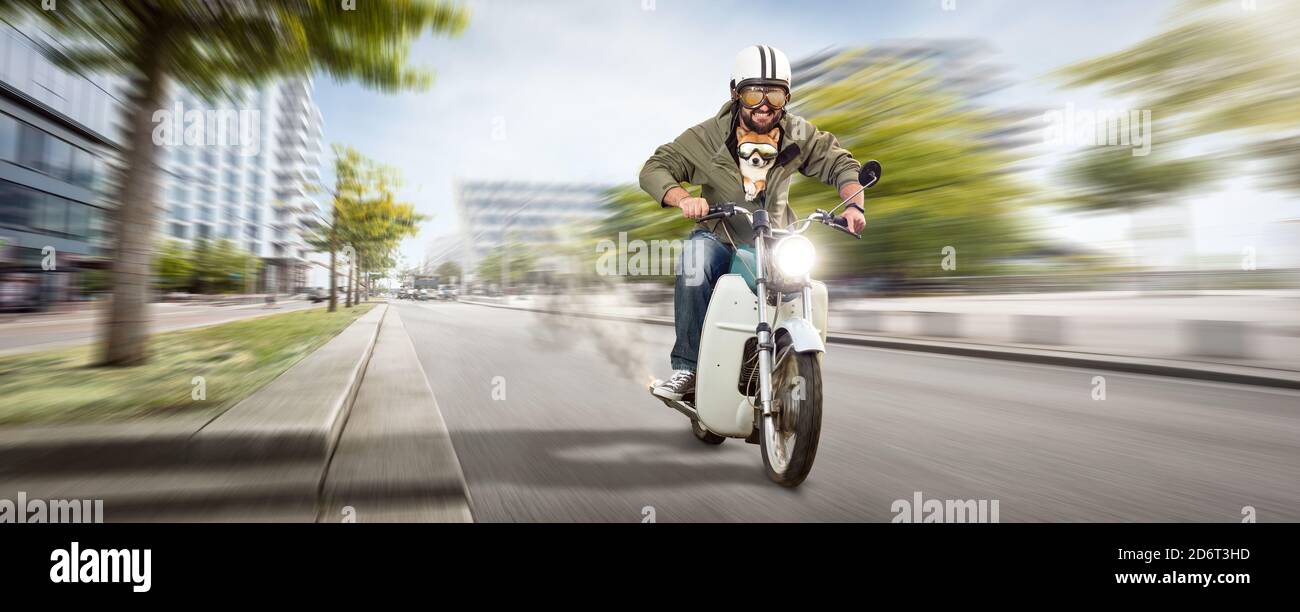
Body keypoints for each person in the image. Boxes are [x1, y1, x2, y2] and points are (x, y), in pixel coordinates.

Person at [642, 45, 866, 401]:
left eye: (774, 93)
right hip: (721, 235)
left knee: (801, 278)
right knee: (694, 261)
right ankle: (687, 368)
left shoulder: (798, 134)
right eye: (753, 93)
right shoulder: (705, 137)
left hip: (776, 237)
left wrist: (854, 207)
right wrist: (684, 198)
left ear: (786, 96)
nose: (764, 105)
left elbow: (840, 163)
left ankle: (788, 358)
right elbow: (655, 167)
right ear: (736, 94)